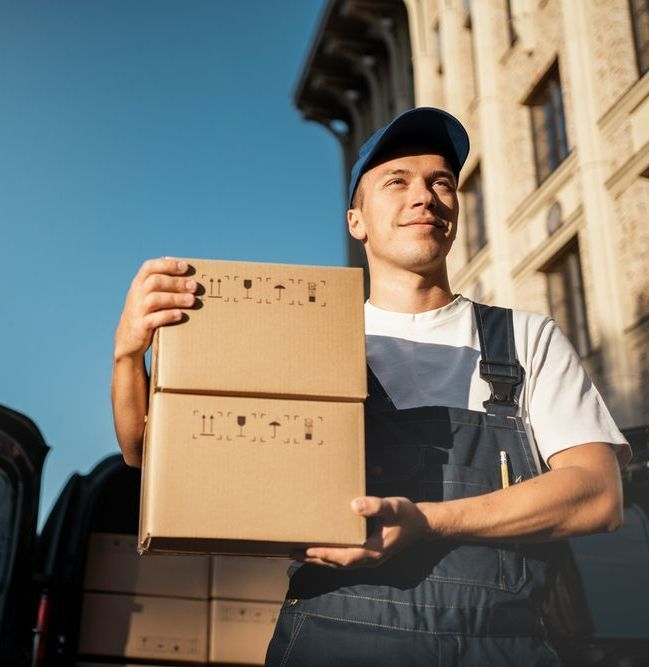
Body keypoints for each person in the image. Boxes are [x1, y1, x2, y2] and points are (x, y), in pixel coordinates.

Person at [111, 107, 630, 666]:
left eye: (442, 183)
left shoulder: (526, 338)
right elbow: (148, 455)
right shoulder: (305, 338)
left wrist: (427, 521)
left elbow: (598, 496)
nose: (425, 197)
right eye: (397, 181)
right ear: (355, 220)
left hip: (502, 645)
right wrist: (127, 355)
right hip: (335, 638)